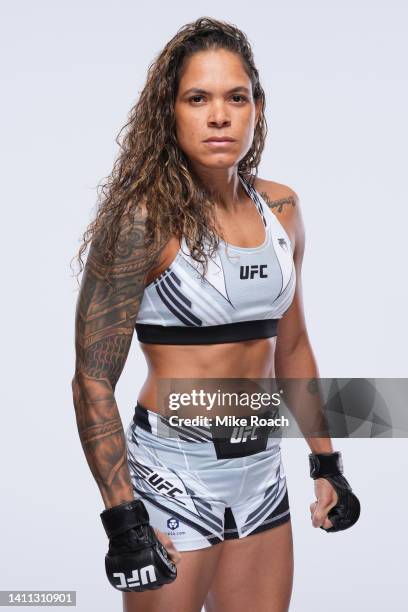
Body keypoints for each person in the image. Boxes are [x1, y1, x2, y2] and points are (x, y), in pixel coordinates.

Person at [71, 16, 360, 612]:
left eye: (237, 97)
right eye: (197, 98)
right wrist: (122, 517)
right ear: (169, 111)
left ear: (257, 107)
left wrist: (326, 461)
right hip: (173, 471)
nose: (219, 115)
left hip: (261, 467)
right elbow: (92, 378)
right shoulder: (142, 224)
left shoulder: (282, 208)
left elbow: (295, 346)